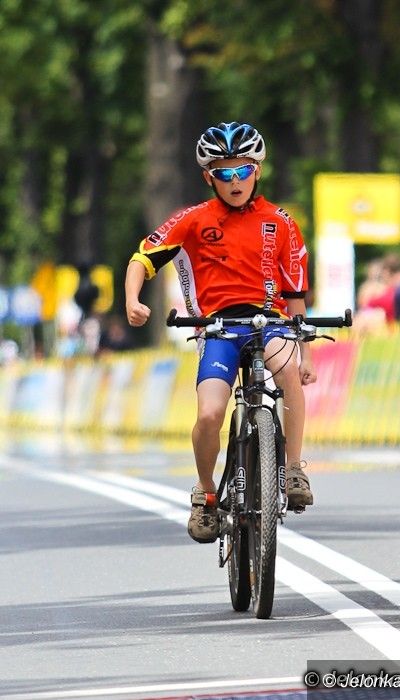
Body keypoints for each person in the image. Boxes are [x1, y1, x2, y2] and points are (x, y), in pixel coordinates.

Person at [125, 121, 317, 542]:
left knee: (287, 371)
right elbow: (142, 258)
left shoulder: (280, 221)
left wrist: (307, 354)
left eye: (242, 170)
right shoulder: (192, 219)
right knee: (210, 413)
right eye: (224, 173)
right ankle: (206, 491)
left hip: (270, 321)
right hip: (217, 328)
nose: (235, 181)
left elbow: (295, 293)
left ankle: (294, 468)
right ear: (208, 177)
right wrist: (132, 299)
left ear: (257, 171)